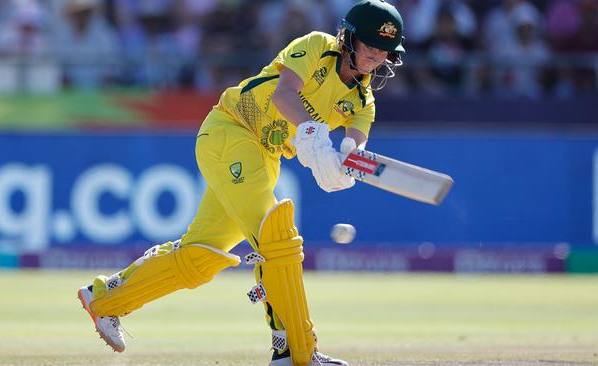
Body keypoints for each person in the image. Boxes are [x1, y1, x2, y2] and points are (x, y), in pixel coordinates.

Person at [77, 1, 405, 365]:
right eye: (371, 45)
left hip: (264, 156)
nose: (378, 55)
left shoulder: (363, 101)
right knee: (275, 235)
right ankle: (296, 351)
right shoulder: (317, 46)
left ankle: (105, 299)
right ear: (349, 38)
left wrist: (344, 163)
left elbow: (355, 144)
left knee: (202, 256)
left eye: (385, 49)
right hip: (230, 129)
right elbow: (284, 94)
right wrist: (312, 133)